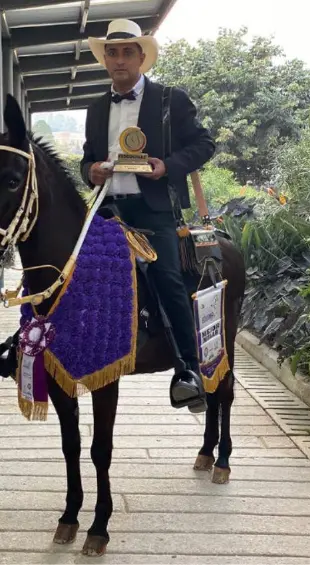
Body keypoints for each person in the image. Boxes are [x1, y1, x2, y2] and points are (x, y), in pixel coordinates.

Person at [80, 19, 216, 412]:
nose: (119, 60)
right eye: (112, 53)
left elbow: (205, 144)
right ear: (105, 59)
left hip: (153, 210)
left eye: (127, 52)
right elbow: (87, 158)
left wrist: (168, 166)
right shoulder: (95, 108)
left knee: (168, 280)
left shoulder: (171, 100)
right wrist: (90, 171)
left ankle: (189, 371)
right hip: (107, 210)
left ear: (141, 57)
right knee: (73, 273)